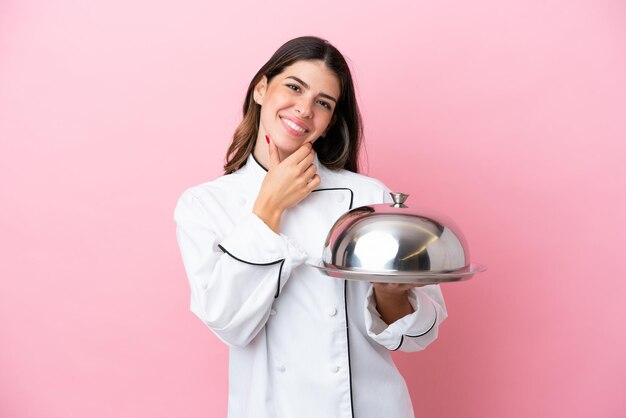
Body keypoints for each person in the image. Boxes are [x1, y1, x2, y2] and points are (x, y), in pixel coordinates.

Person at [174, 36, 447, 418]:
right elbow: (228, 323)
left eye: (323, 102)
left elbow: (419, 335)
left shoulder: (367, 197)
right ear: (260, 88)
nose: (304, 110)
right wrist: (269, 206)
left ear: (331, 120)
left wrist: (390, 295)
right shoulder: (205, 205)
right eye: (293, 87)